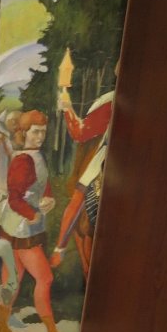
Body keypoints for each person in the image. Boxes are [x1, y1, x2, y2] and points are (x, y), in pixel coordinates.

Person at [0, 109, 74, 332]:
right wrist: (32, 214)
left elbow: (42, 184)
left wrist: (49, 199)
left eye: (43, 132)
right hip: (21, 228)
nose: (40, 137)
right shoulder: (22, 160)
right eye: (35, 132)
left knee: (13, 278)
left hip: (22, 226)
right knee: (45, 277)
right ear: (24, 133)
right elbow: (14, 198)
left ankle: (1, 327)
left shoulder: (35, 156)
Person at [51, 84, 115, 277]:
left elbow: (80, 132)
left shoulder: (112, 100)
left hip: (108, 160)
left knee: (78, 198)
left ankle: (60, 248)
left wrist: (67, 107)